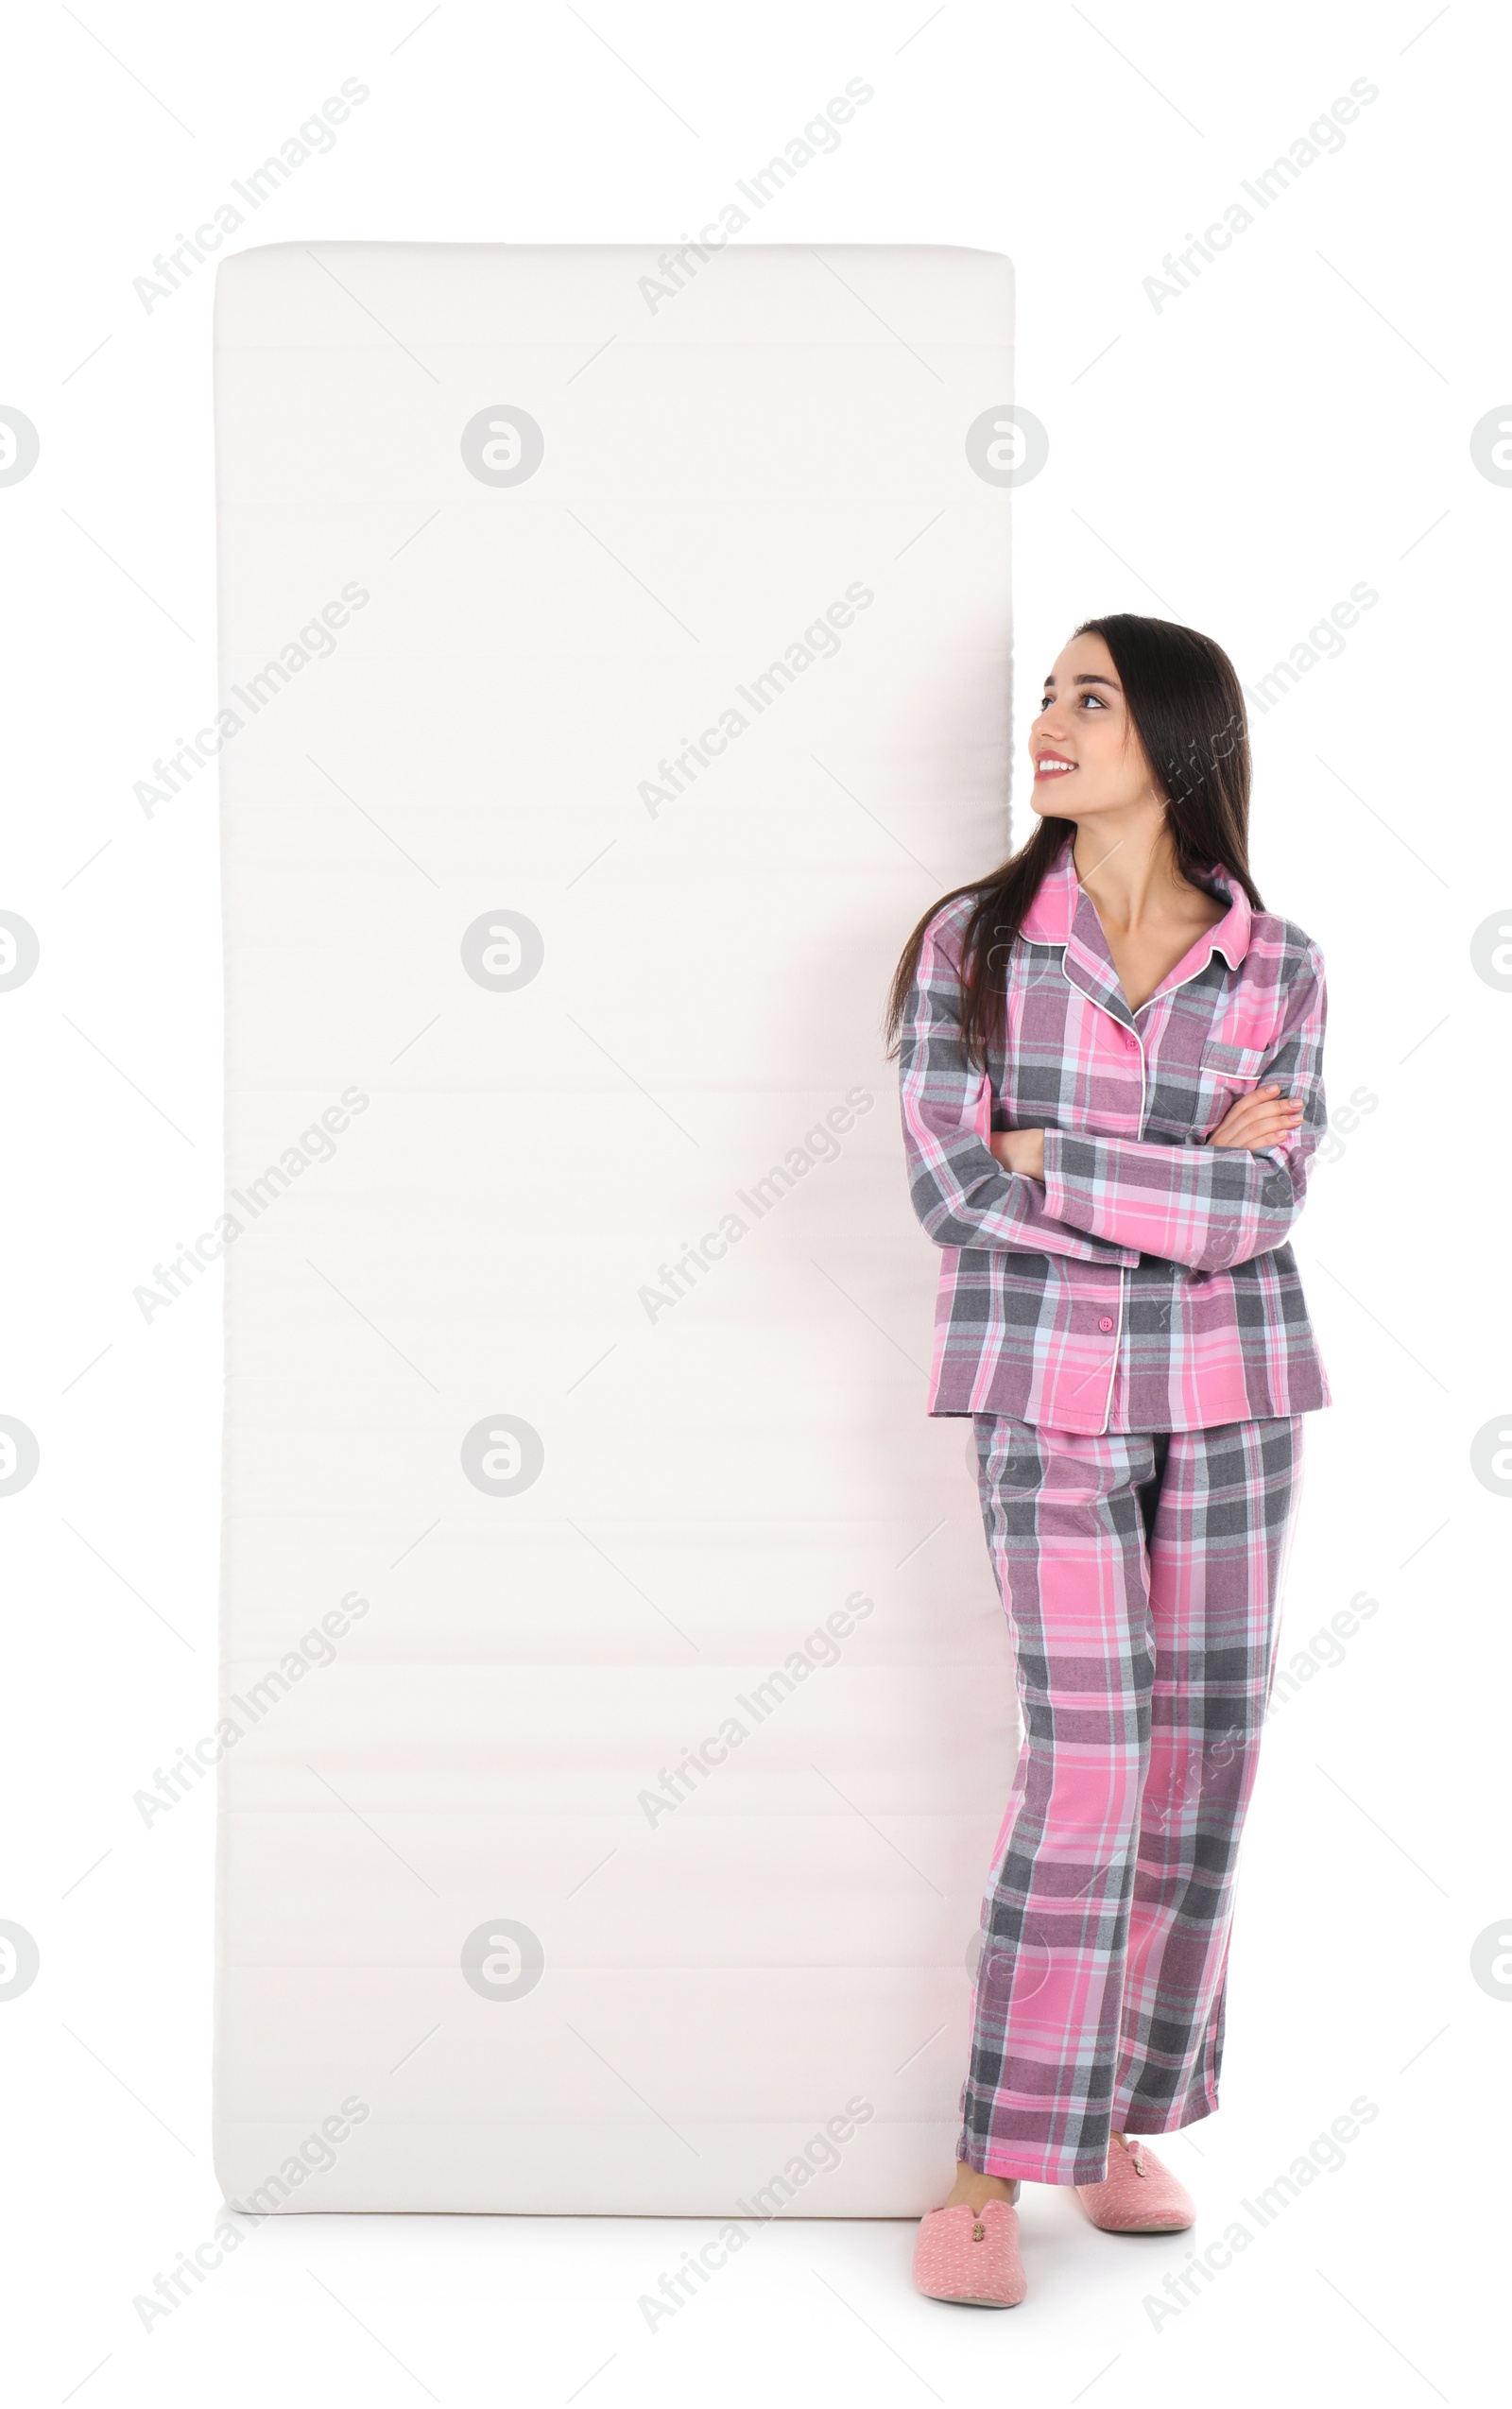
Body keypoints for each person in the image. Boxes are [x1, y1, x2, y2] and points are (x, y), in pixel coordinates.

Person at [885, 612, 1330, 2309]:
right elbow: (951, 1194)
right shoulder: (972, 948)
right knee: (1085, 1763)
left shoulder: (1276, 965)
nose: (1049, 724)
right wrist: (1167, 1179)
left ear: (1175, 736)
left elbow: (1268, 1205)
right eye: (1047, 697)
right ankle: (989, 2161)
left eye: (1089, 698)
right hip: (1044, 1395)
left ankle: (1125, 2111)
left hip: (1233, 1402)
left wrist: (1052, 1147)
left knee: (1197, 1767)